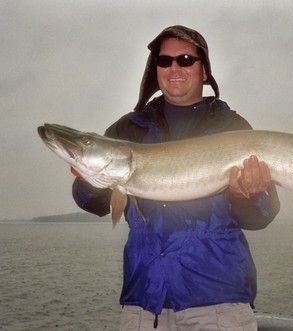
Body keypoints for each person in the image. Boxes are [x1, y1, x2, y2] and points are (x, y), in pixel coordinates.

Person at [71, 25, 280, 330]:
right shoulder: (128, 129)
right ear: (155, 69)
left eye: (185, 59)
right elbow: (94, 203)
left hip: (217, 303)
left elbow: (262, 215)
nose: (174, 68)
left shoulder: (232, 127)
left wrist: (249, 193)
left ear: (204, 71)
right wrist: (89, 180)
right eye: (164, 61)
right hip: (144, 305)